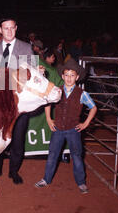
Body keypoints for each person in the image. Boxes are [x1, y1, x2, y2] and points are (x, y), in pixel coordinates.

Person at [35, 58, 97, 193]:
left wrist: (85, 123)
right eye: (67, 75)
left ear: (77, 77)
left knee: (77, 156)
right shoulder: (57, 90)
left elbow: (93, 108)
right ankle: (46, 178)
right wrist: (49, 119)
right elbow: (48, 103)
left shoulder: (82, 94)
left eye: (72, 75)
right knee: (52, 154)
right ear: (62, 76)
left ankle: (81, 182)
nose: (69, 78)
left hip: (73, 130)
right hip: (58, 129)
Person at [0, 17, 35, 184]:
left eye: (12, 28)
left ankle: (14, 171)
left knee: (18, 138)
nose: (9, 31)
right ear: (0, 29)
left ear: (16, 28)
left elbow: (30, 75)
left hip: (19, 104)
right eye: (5, 28)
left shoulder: (26, 48)